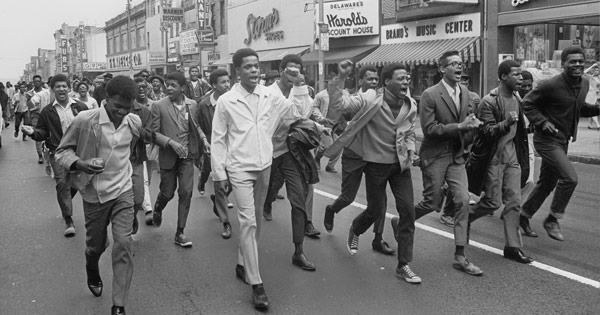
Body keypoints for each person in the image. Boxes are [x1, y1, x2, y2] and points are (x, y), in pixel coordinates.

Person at [211, 48, 309, 309]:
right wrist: (219, 174)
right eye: (248, 67)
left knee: (255, 221)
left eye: (256, 66)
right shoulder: (226, 101)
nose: (254, 71)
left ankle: (243, 263)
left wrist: (299, 85)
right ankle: (257, 284)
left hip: (264, 165)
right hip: (239, 168)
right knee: (248, 222)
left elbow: (297, 113)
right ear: (237, 71)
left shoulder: (269, 95)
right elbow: (218, 140)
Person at [324, 60, 421, 283]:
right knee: (376, 210)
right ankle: (356, 229)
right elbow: (342, 106)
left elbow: (409, 133)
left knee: (407, 211)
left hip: (401, 166)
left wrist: (411, 151)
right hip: (376, 165)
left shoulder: (411, 105)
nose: (406, 81)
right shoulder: (370, 97)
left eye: (407, 78)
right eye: (400, 78)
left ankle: (404, 264)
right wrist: (340, 79)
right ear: (387, 82)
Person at [55, 75, 145, 315]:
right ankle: (91, 266)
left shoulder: (133, 121)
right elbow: (61, 152)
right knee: (96, 246)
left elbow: (136, 154)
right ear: (106, 100)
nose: (123, 112)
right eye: (118, 107)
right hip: (94, 195)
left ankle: (119, 305)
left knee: (124, 243)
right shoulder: (85, 120)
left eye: (128, 107)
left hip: (123, 191)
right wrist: (81, 163)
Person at [414, 50, 483, 276]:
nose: (459, 67)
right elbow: (429, 129)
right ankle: (403, 220)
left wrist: (472, 125)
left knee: (463, 201)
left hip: (456, 157)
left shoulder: (465, 92)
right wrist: (460, 127)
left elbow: (465, 120)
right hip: (435, 154)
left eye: (461, 64)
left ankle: (460, 256)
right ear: (442, 69)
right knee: (431, 203)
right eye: (453, 64)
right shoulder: (430, 94)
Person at [520, 46, 600, 241]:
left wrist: (597, 108)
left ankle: (523, 216)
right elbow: (527, 103)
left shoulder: (585, 83)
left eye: (581, 61)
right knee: (570, 179)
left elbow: (579, 108)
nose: (578, 65)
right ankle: (553, 218)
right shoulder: (550, 85)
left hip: (563, 141)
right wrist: (542, 122)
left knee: (547, 183)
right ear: (563, 64)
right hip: (546, 140)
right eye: (572, 61)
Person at [323, 65, 396, 256]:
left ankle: (378, 238)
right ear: (360, 80)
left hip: (375, 156)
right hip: (354, 154)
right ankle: (331, 209)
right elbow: (338, 113)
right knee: (348, 196)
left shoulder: (382, 99)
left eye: (375, 79)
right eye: (369, 79)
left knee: (380, 201)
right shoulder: (356, 99)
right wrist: (339, 79)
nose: (373, 82)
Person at [262, 54, 327, 270]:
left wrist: (319, 127)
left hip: (289, 151)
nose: (293, 74)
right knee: (269, 190)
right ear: (280, 70)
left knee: (298, 199)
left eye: (297, 71)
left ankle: (298, 251)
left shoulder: (301, 92)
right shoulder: (267, 93)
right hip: (267, 152)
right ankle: (268, 201)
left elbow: (301, 117)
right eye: (289, 70)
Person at [467, 60, 533, 264]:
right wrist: (506, 123)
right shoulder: (489, 101)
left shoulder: (517, 98)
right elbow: (485, 132)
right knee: (492, 202)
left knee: (514, 201)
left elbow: (520, 131)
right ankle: (465, 218)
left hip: (512, 157)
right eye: (516, 74)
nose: (520, 78)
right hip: (493, 159)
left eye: (521, 74)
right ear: (503, 77)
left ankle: (513, 247)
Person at [22, 74, 89, 237]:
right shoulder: (48, 111)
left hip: (78, 152)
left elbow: (90, 127)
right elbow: (42, 132)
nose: (61, 89)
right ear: (52, 90)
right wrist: (33, 132)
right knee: (62, 183)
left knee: (75, 183)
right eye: (57, 86)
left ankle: (65, 203)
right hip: (57, 152)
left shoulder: (80, 107)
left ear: (69, 88)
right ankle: (68, 219)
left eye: (64, 86)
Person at [151, 71, 210, 248]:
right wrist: (170, 143)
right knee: (168, 192)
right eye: (167, 85)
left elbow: (196, 125)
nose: (168, 88)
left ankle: (180, 232)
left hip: (187, 156)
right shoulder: (158, 106)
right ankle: (158, 208)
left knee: (186, 192)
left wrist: (204, 141)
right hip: (168, 156)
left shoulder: (192, 105)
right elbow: (153, 134)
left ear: (182, 88)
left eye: (173, 85)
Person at [438, 72, 481, 226]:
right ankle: (447, 212)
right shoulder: (445, 97)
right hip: (453, 143)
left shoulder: (474, 97)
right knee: (457, 180)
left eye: (466, 79)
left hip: (468, 143)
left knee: (461, 180)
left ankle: (445, 191)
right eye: (460, 79)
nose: (463, 82)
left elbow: (478, 118)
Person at [197, 69, 234, 239]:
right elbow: (201, 126)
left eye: (228, 81)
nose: (227, 85)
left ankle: (219, 202)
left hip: (234, 147)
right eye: (223, 82)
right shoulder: (204, 104)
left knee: (233, 182)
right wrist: (204, 143)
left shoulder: (235, 100)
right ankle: (226, 222)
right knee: (220, 183)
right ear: (213, 85)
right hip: (214, 146)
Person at [129, 77, 155, 234]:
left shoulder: (144, 112)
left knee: (139, 197)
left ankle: (133, 214)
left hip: (136, 159)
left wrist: (135, 127)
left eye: (143, 86)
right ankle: (127, 222)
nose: (140, 89)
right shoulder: (114, 109)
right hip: (117, 162)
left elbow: (148, 136)